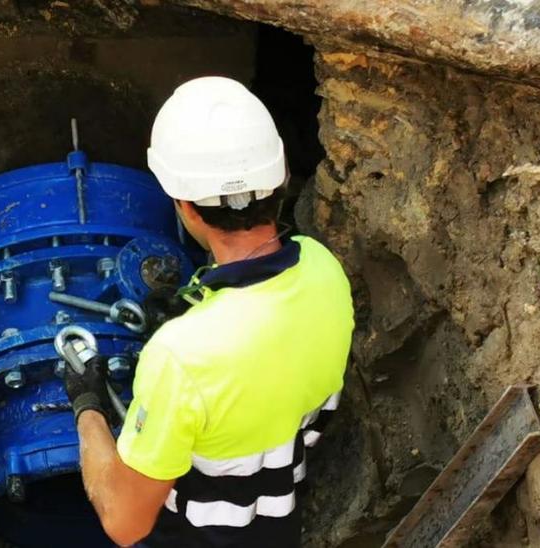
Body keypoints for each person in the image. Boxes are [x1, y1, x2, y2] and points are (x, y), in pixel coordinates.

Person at [64, 77, 354, 547]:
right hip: (277, 526)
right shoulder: (325, 271)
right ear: (280, 179)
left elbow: (123, 521)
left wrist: (87, 406)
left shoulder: (181, 358)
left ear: (185, 207)